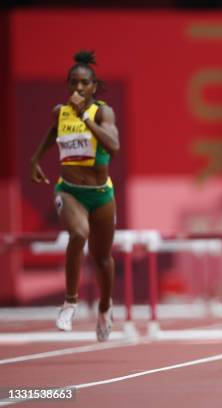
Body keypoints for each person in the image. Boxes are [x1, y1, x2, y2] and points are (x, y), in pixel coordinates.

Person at [30, 50, 120, 341]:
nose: (78, 89)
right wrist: (35, 159)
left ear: (94, 86)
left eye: (84, 83)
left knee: (103, 258)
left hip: (101, 193)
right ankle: (70, 301)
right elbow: (52, 131)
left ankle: (105, 308)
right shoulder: (61, 111)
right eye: (73, 83)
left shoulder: (102, 112)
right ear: (68, 85)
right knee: (78, 234)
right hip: (69, 191)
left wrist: (86, 119)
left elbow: (114, 145)